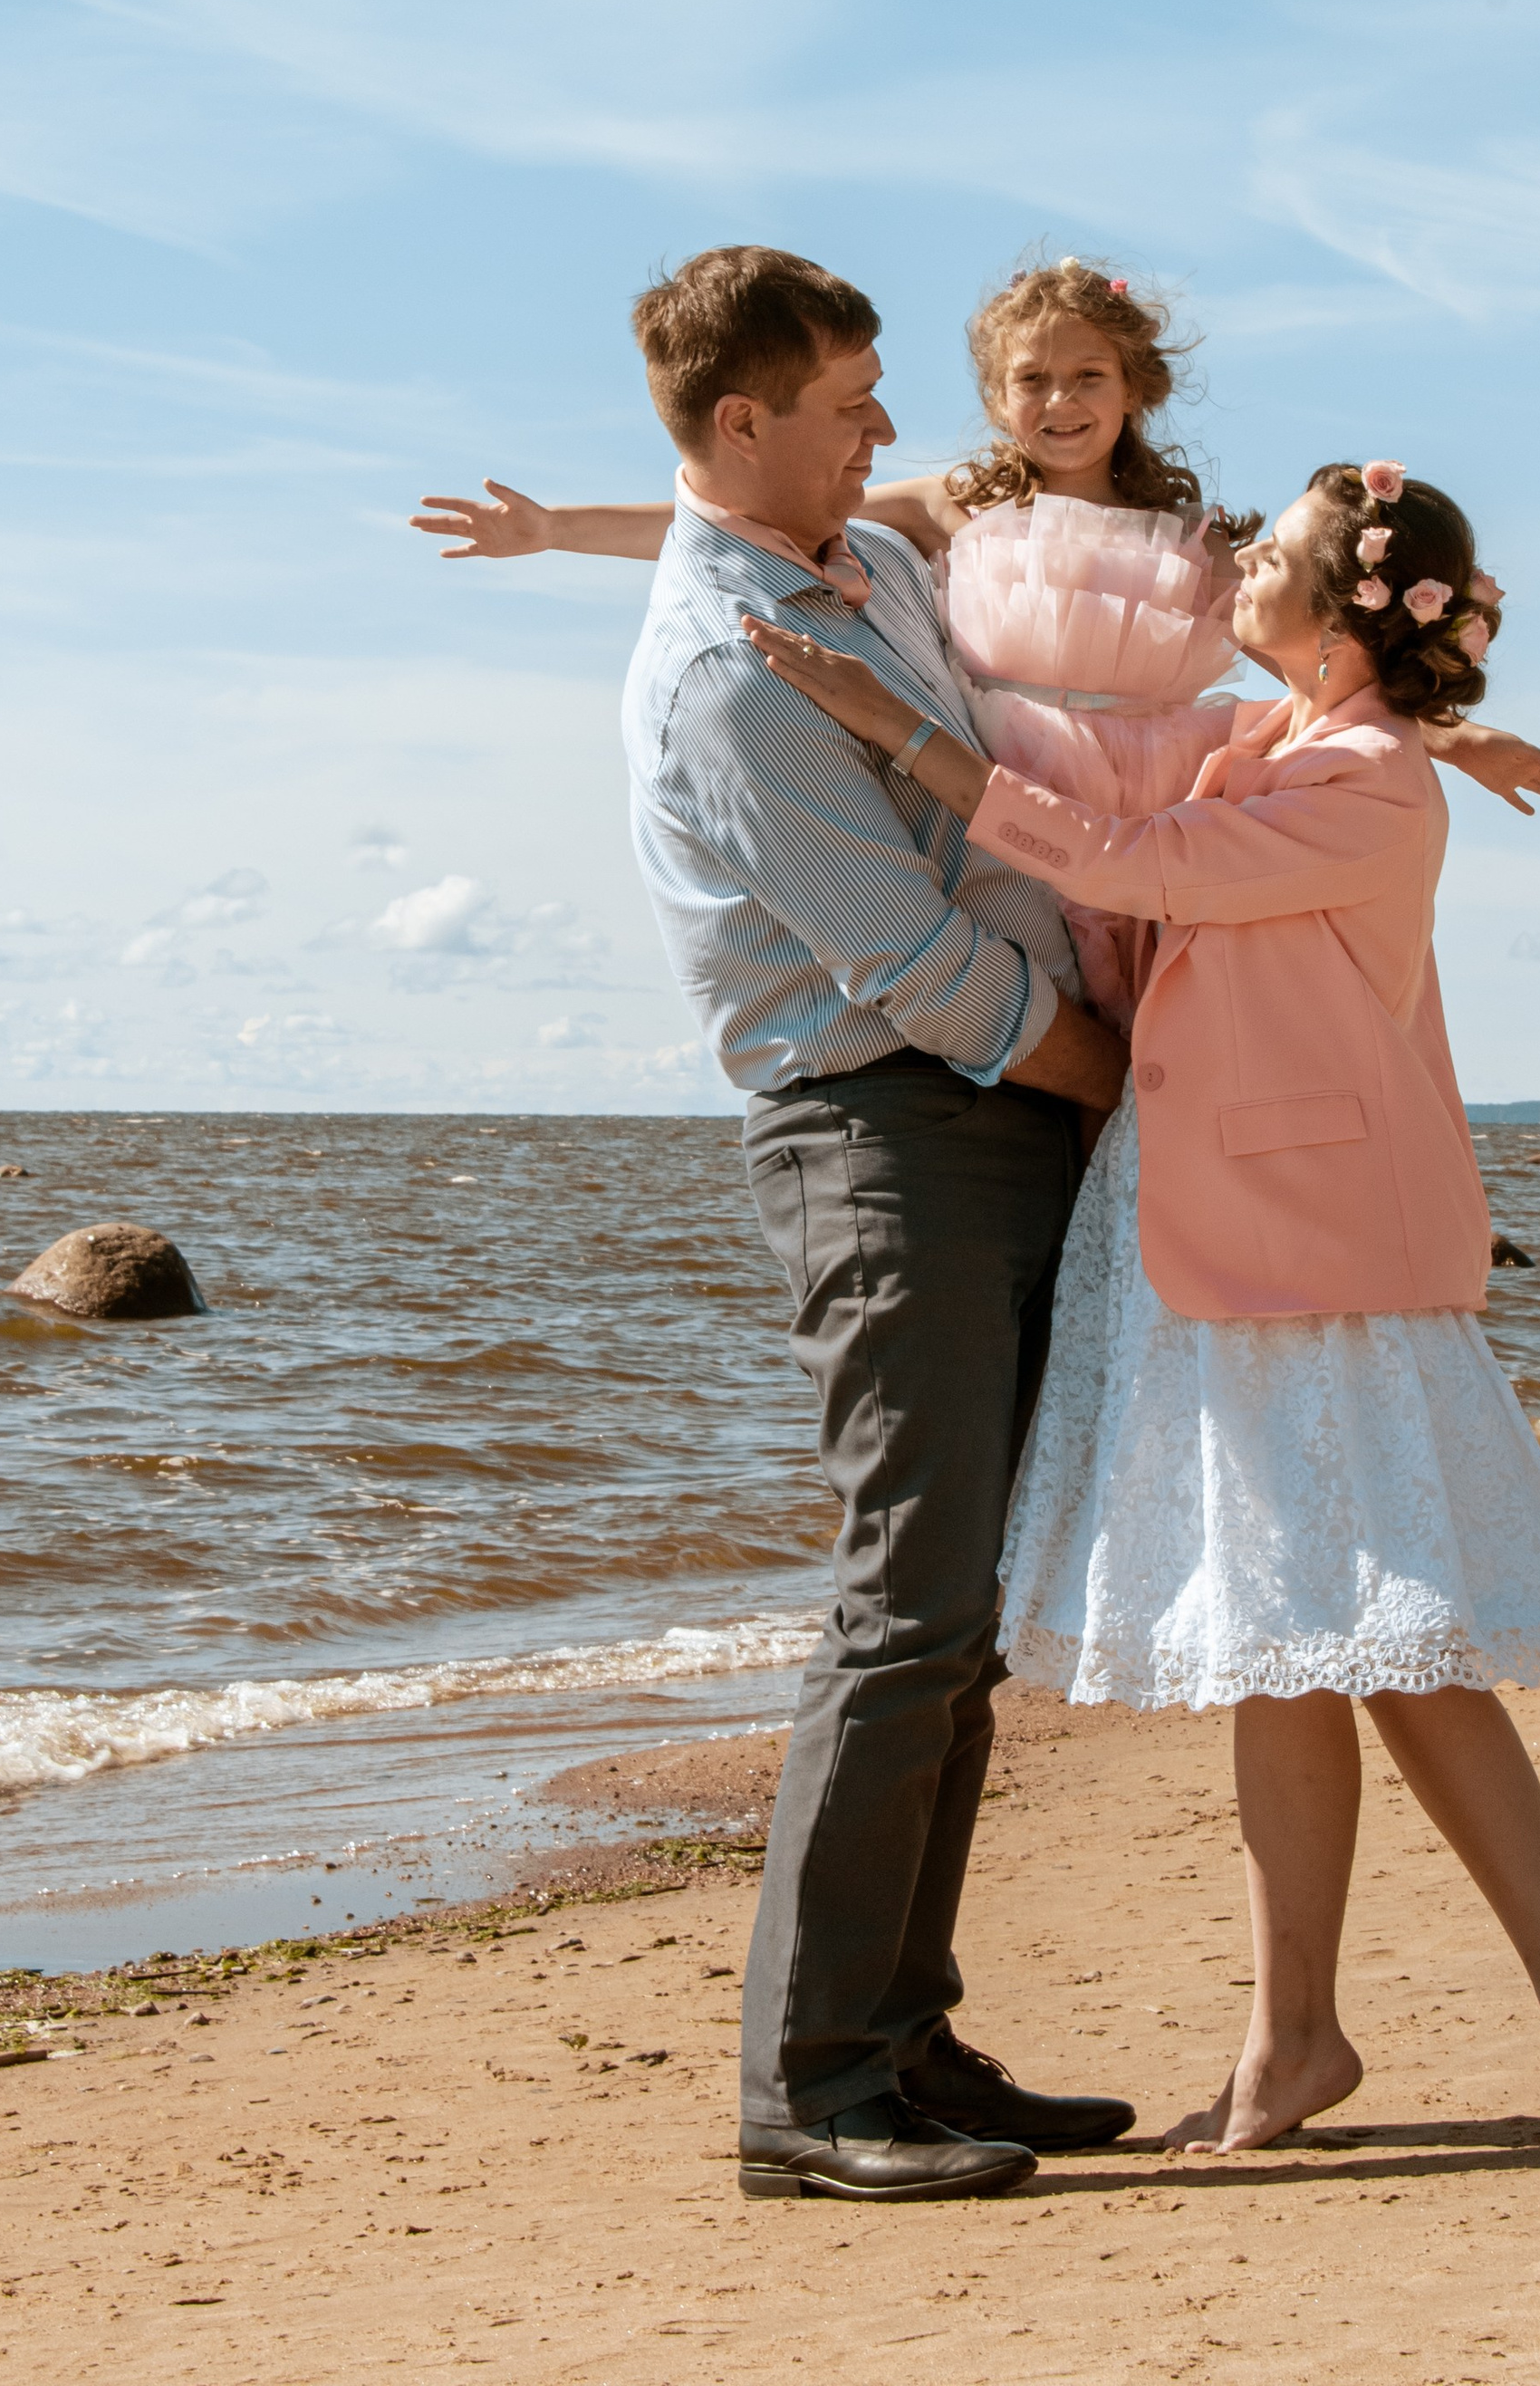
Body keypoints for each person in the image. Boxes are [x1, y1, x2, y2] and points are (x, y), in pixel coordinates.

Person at [743, 458, 1540, 2158]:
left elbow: (1129, 857)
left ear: (1343, 612)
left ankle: (1504, 1985)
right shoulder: (1288, 745)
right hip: (1235, 1239)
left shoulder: (1369, 780)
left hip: (1306, 1259)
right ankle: (1331, 2032)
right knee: (1309, 1646)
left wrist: (892, 727)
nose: (1235, 572)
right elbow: (1087, 744)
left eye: (1273, 563)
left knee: (1362, 1637)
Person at [584, 245, 1138, 2206]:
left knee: (956, 1618)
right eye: (847, 402)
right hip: (887, 1131)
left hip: (993, 1115)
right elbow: (909, 964)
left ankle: (903, 2038)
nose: (888, 428)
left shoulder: (872, 570)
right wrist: (1117, 1072)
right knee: (902, 1606)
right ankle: (811, 2090)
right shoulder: (729, 668)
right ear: (740, 426)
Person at [411, 255, 1540, 1026]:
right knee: (1049, 1027)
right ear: (994, 391)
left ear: (1136, 388)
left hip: (1163, 801)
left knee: (1164, 1034)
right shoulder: (955, 506)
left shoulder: (1200, 538)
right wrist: (552, 529)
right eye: (1030, 379)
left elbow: (1324, 657)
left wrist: (1455, 734)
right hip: (1002, 788)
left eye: (1089, 376)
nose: (1059, 400)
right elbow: (744, 508)